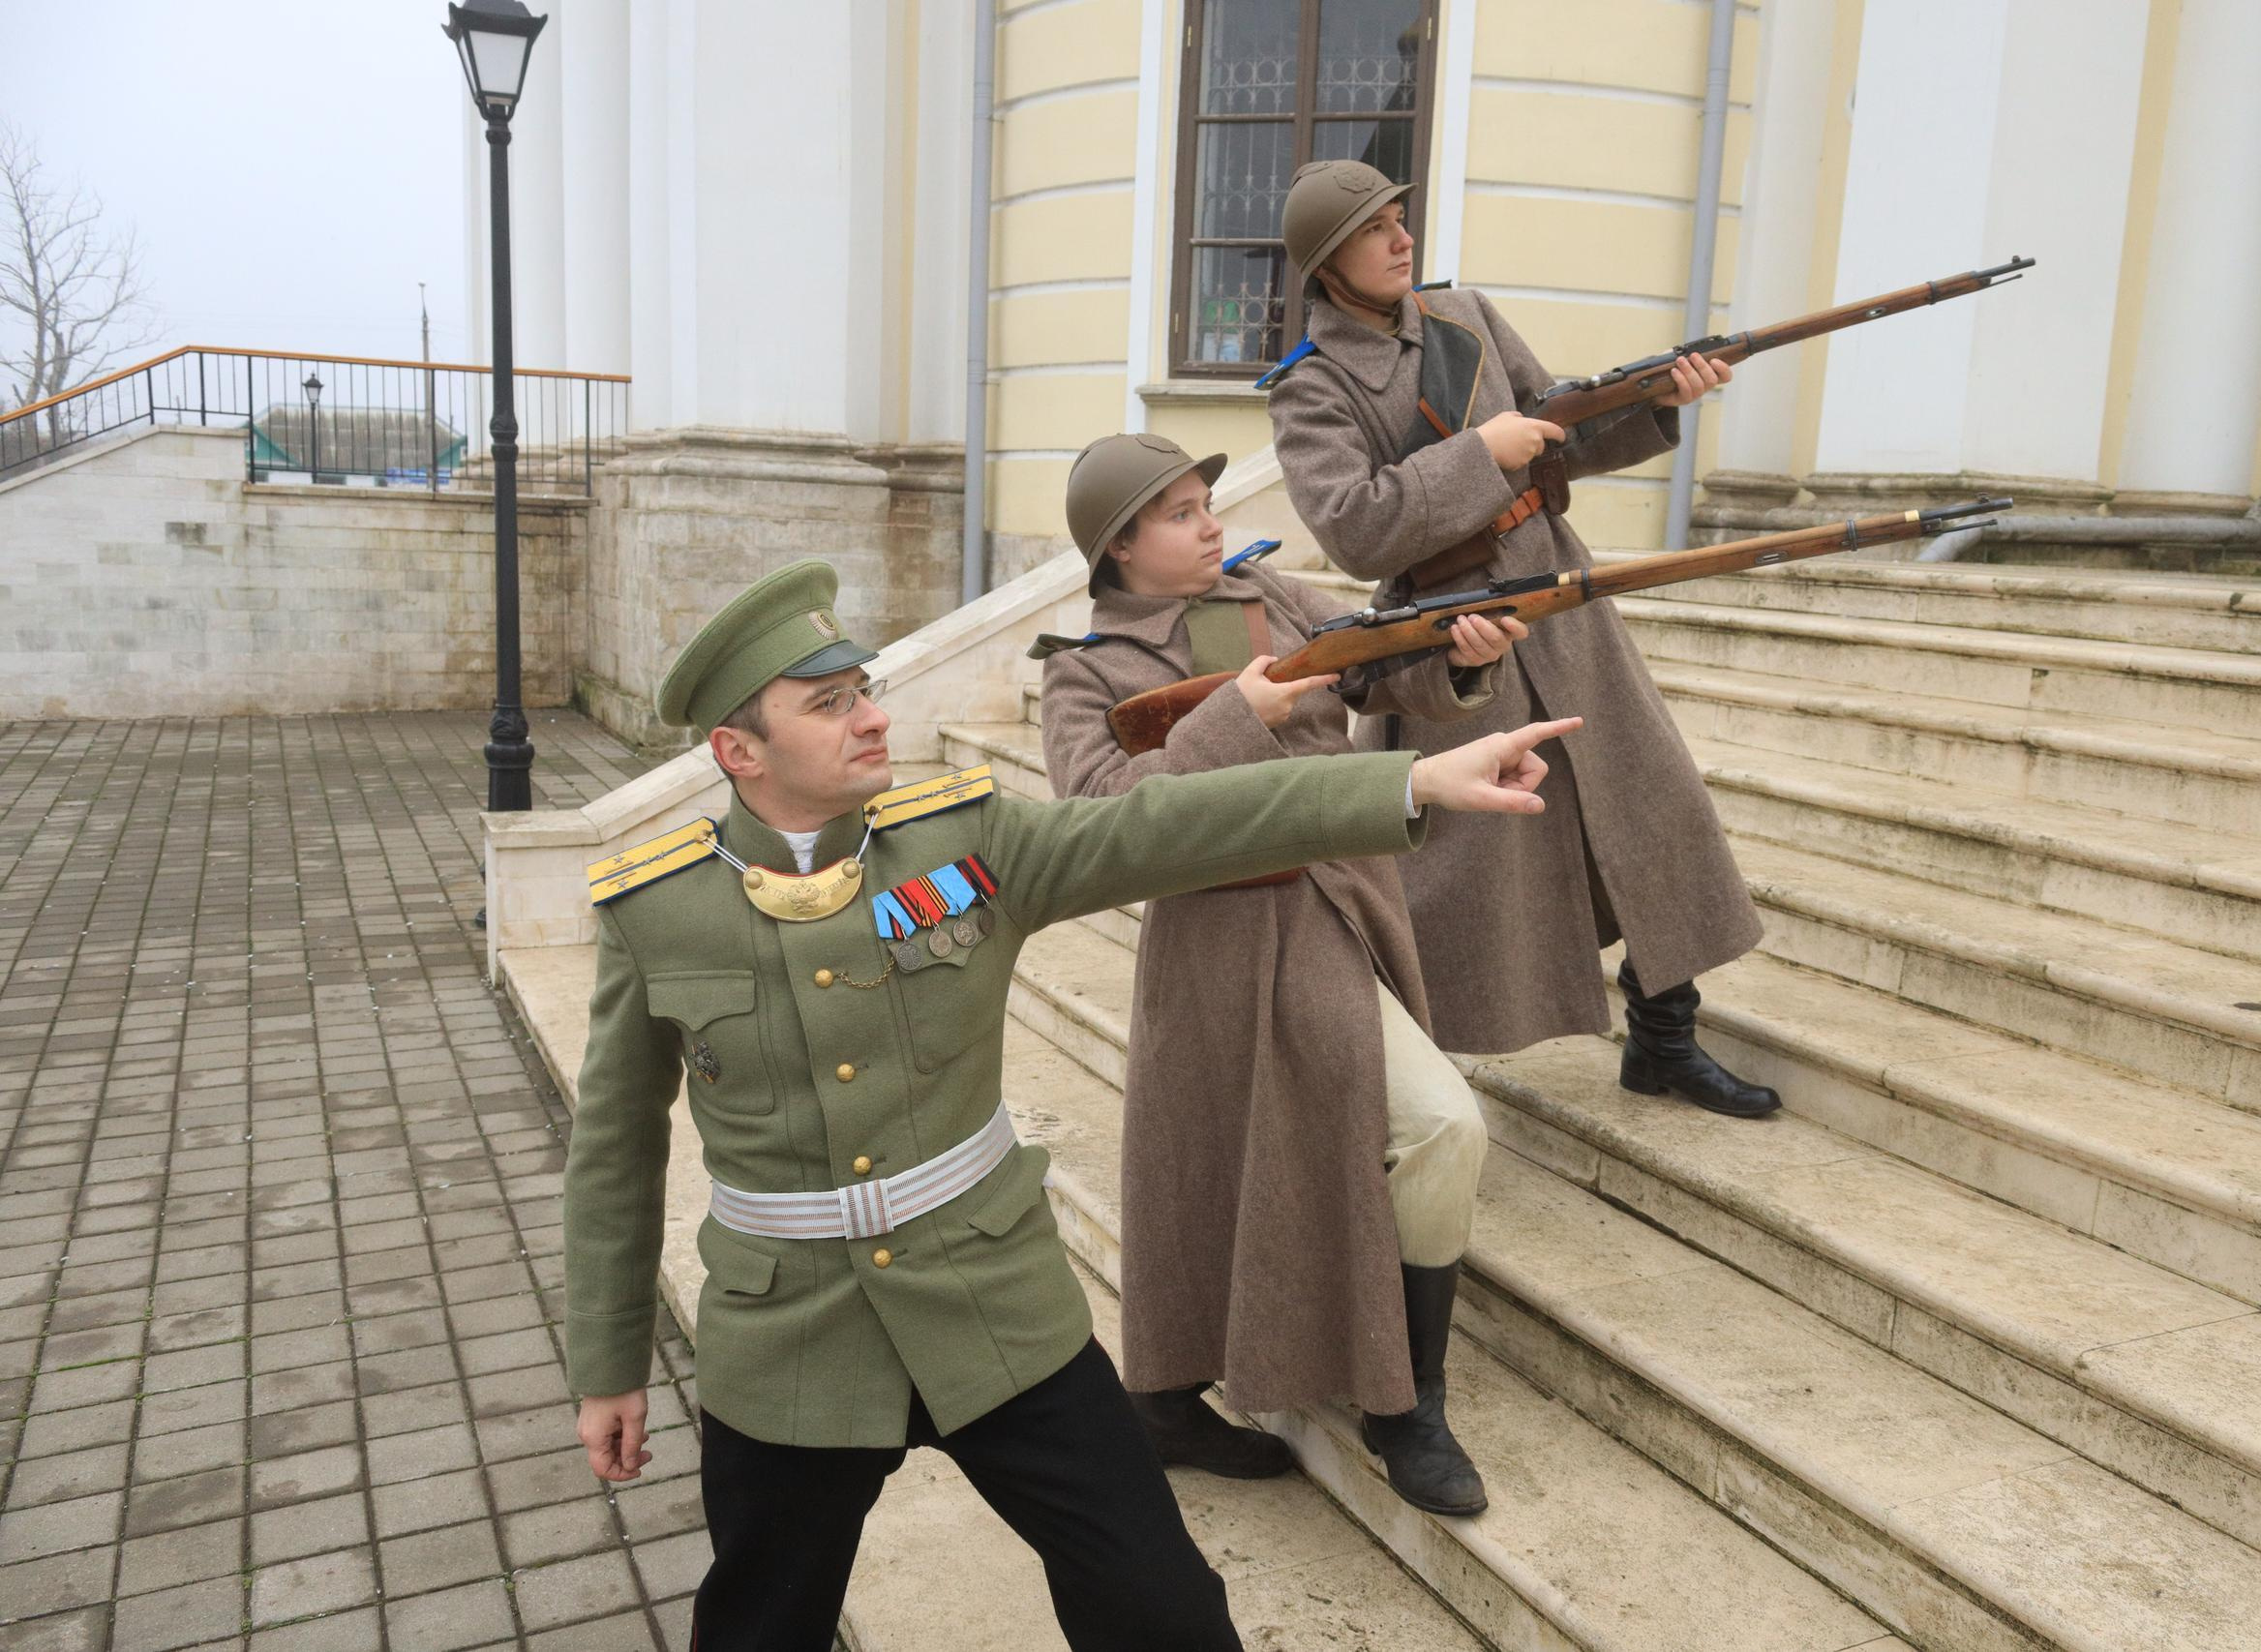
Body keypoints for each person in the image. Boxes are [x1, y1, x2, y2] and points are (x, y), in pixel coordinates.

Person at [562, 557, 1581, 1650]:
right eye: (831, 704)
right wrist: (608, 1364)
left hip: (995, 1304)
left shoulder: (968, 840)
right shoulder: (657, 910)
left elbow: (1169, 825)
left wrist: (1409, 787)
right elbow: (615, 1150)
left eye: (863, 690)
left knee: (1165, 1609)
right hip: (789, 1339)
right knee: (763, 1626)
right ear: (737, 752)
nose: (872, 718)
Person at [1036, 432, 1524, 1516]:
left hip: (1338, 899)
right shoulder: (1081, 666)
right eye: (1176, 511)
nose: (1209, 521)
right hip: (1217, 938)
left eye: (1204, 499)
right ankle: (1166, 1398)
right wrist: (1229, 719)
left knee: (1432, 1126)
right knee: (1213, 1170)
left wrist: (1463, 657)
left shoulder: (1277, 594)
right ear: (1118, 548)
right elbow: (1092, 824)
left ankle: (1407, 1402)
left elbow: (1390, 670)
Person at [1262, 157, 1781, 1118]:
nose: (1401, 239)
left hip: (1560, 591)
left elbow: (1563, 432)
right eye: (1377, 228)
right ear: (1327, 262)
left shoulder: (1466, 317)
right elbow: (1356, 525)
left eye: (1401, 220)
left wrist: (1659, 399)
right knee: (1460, 873)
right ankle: (1399, 1091)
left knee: (1643, 802)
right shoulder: (1312, 387)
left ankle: (1664, 1039)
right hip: (1450, 630)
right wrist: (1477, 456)